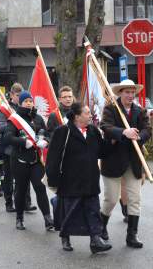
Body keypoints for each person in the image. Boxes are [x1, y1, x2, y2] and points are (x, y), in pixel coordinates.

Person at [46, 103, 113, 254]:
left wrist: (112, 141)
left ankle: (95, 240)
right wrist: (53, 179)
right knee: (69, 211)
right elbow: (53, 158)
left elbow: (102, 152)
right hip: (70, 181)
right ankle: (65, 236)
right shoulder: (63, 132)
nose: (90, 115)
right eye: (87, 113)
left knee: (93, 210)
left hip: (90, 179)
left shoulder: (93, 131)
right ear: (77, 116)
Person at [99, 79, 151, 248]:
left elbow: (147, 129)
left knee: (135, 199)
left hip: (133, 161)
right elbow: (105, 127)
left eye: (132, 92)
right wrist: (124, 132)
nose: (130, 95)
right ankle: (100, 228)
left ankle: (132, 236)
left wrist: (139, 136)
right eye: (126, 92)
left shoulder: (140, 111)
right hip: (113, 161)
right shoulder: (111, 109)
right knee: (111, 199)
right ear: (120, 93)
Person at [4, 91, 53, 230]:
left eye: (31, 101)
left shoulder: (38, 118)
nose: (29, 103)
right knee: (21, 190)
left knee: (40, 187)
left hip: (36, 160)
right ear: (21, 103)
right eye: (26, 101)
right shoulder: (14, 119)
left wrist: (46, 141)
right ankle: (19, 218)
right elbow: (7, 137)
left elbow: (47, 133)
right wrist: (22, 142)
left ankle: (48, 218)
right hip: (19, 160)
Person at [0, 83, 36, 213]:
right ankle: (9, 203)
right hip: (9, 148)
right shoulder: (4, 109)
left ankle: (26, 202)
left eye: (22, 96)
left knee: (26, 176)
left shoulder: (27, 108)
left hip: (25, 148)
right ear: (12, 94)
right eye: (18, 95)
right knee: (9, 177)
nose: (20, 98)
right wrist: (12, 121)